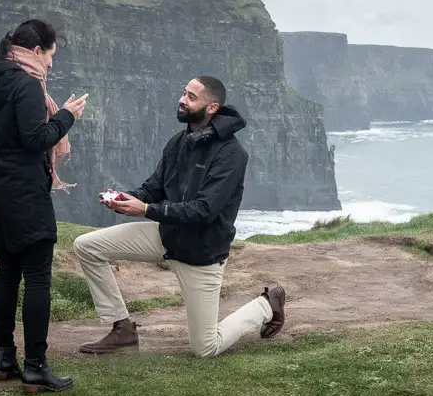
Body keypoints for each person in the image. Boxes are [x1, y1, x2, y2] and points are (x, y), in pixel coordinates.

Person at [72, 74, 285, 358]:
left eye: (192, 97)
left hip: (201, 253)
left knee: (205, 348)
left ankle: (267, 305)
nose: (182, 100)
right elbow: (154, 187)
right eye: (184, 93)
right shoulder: (179, 141)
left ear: (212, 108)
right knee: (87, 246)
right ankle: (121, 328)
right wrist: (125, 198)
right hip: (166, 238)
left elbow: (204, 211)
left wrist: (146, 210)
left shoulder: (231, 154)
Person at [0, 18, 88, 394]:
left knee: (6, 272)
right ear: (36, 51)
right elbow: (35, 139)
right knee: (37, 277)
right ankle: (35, 367)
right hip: (21, 193)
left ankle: (5, 358)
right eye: (50, 56)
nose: (51, 64)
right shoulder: (28, 86)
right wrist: (66, 116)